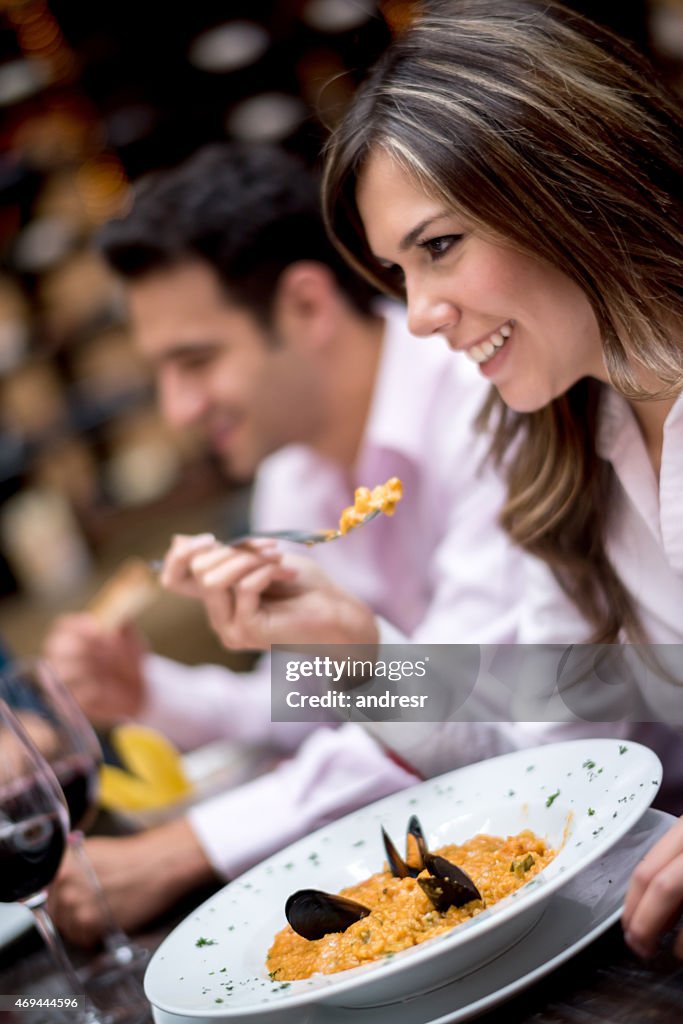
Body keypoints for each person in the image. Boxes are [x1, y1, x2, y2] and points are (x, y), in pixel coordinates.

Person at [160, 2, 683, 958]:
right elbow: (539, 752)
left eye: (439, 247)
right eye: (398, 271)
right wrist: (361, 654)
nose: (419, 316)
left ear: (568, 186)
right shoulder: (565, 446)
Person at [44, 142, 523, 944]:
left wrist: (188, 848)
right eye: (161, 373)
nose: (178, 411)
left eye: (195, 362)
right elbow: (313, 709)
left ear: (305, 306)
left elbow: (486, 716)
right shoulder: (292, 477)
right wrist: (147, 694)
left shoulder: (487, 399)